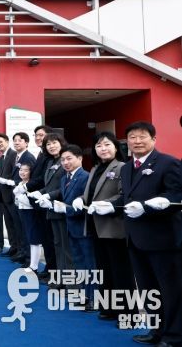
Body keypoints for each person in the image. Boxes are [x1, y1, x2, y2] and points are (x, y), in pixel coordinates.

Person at [115, 122, 182, 346]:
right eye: (132, 137)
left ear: (153, 139)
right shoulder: (126, 168)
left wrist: (147, 207)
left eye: (142, 136)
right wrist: (111, 206)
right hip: (135, 238)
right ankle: (156, 330)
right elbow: (126, 198)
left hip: (163, 239)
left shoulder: (169, 163)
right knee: (148, 289)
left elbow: (175, 196)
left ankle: (175, 336)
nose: (137, 141)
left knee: (171, 290)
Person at [80, 131, 136, 321]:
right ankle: (109, 308)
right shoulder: (95, 169)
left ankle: (128, 313)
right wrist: (81, 199)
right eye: (98, 146)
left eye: (107, 145)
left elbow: (123, 194)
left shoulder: (122, 167)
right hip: (96, 225)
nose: (103, 149)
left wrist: (106, 204)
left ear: (116, 147)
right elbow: (91, 194)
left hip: (114, 226)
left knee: (121, 271)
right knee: (104, 270)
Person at [52, 144, 94, 311]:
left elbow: (85, 204)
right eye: (63, 160)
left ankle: (93, 298)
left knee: (90, 264)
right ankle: (84, 295)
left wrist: (66, 209)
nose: (65, 162)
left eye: (69, 158)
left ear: (80, 158)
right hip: (71, 227)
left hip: (84, 228)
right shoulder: (65, 178)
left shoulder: (86, 177)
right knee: (79, 263)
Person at [32, 133, 71, 287]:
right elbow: (48, 185)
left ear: (61, 143)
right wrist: (40, 192)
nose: (51, 146)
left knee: (65, 248)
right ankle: (59, 278)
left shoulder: (66, 160)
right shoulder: (50, 162)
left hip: (62, 208)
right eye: (48, 144)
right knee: (57, 245)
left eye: (54, 142)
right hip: (50, 208)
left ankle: (68, 281)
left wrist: (48, 195)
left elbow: (66, 186)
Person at [8, 132, 36, 265]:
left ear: (26, 143)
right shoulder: (17, 156)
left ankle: (29, 257)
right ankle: (23, 252)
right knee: (20, 228)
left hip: (26, 198)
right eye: (15, 140)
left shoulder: (28, 157)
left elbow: (30, 177)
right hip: (18, 197)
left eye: (20, 140)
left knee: (26, 229)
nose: (16, 142)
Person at [13, 163, 46, 273]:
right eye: (21, 170)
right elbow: (17, 202)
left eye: (26, 170)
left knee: (34, 240)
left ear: (31, 172)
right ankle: (31, 264)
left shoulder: (31, 185)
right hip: (23, 212)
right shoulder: (20, 183)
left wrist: (18, 195)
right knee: (28, 238)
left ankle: (34, 266)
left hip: (32, 213)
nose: (22, 172)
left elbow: (31, 202)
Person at [0, 133, 18, 258]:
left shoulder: (13, 155)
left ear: (7, 142)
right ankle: (13, 248)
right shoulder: (1, 158)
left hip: (12, 196)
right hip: (3, 197)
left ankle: (20, 250)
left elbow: (16, 175)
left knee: (16, 224)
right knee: (9, 225)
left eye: (1, 142)